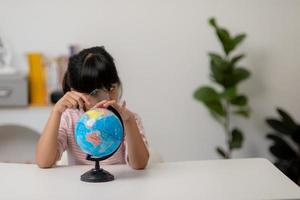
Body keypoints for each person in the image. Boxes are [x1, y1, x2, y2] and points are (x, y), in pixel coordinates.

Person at [36, 46, 149, 170]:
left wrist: (130, 121)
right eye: (96, 93)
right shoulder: (68, 118)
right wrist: (56, 112)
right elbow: (43, 162)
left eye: (111, 89)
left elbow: (140, 165)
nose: (107, 98)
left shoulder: (127, 119)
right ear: (75, 92)